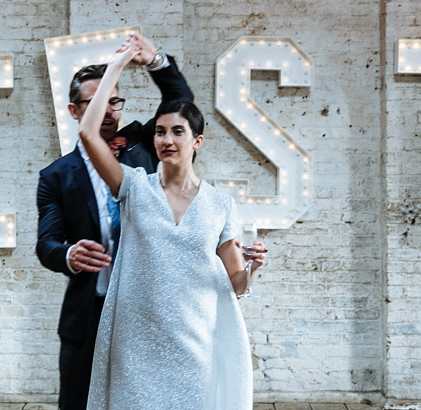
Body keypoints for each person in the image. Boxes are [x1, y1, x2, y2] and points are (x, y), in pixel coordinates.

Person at [79, 41, 266, 410]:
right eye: (160, 131)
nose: (166, 139)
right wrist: (115, 67)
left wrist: (255, 268)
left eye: (177, 132)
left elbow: (235, 284)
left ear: (196, 141)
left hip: (195, 344)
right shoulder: (132, 186)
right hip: (135, 343)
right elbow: (87, 134)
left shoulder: (220, 205)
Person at [36, 33, 193, 410]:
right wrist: (69, 254)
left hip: (148, 308)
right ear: (76, 112)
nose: (109, 111)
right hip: (88, 311)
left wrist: (157, 61)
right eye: (97, 103)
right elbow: (46, 244)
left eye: (115, 101)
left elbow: (182, 106)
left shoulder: (144, 143)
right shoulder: (56, 176)